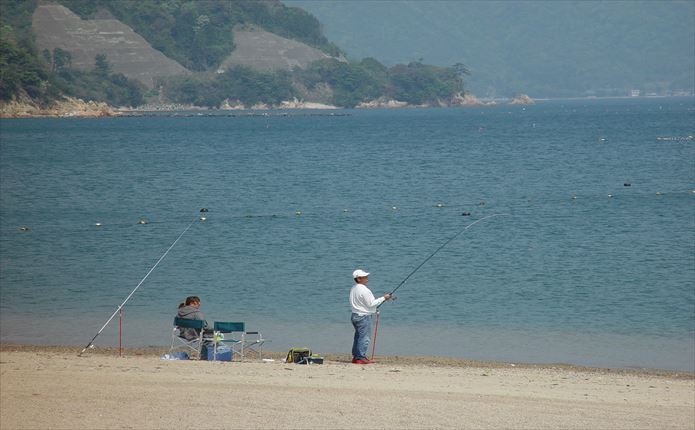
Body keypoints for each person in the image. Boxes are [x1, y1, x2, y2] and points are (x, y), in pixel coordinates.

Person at [349, 269, 392, 364]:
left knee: (358, 337)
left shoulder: (354, 288)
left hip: (355, 315)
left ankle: (356, 357)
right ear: (359, 279)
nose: (367, 278)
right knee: (364, 338)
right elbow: (371, 304)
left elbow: (364, 304)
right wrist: (384, 298)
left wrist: (382, 300)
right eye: (364, 277)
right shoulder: (364, 290)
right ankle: (360, 357)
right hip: (363, 317)